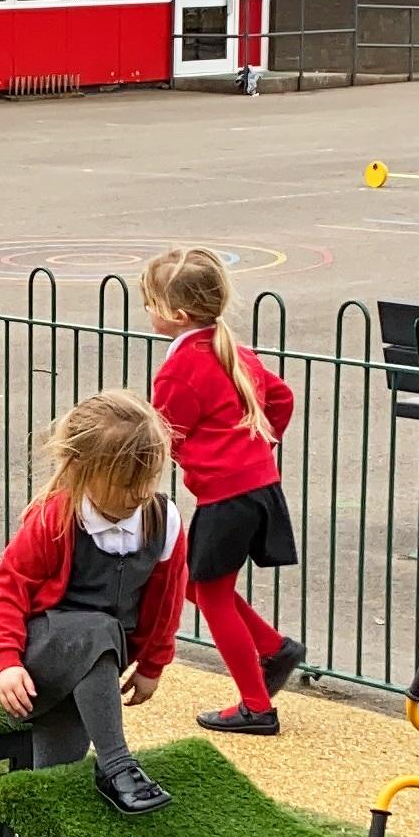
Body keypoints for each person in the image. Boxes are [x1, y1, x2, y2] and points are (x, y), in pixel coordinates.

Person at [0, 390, 194, 816]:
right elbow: (8, 588)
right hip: (42, 652)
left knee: (56, 775)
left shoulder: (163, 520)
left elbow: (168, 600)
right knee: (95, 629)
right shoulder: (55, 517)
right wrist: (7, 662)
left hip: (95, 667)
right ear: (84, 470)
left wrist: (153, 665)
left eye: (147, 481)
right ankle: (117, 764)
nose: (138, 494)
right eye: (125, 484)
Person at [139, 247, 304, 737]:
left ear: (177, 315)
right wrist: (255, 446)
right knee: (198, 584)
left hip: (226, 495)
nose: (147, 311)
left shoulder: (178, 369)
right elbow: (281, 398)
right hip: (255, 486)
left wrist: (203, 459)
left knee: (209, 595)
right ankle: (274, 649)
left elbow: (165, 435)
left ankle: (257, 705)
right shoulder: (231, 349)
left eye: (150, 302)